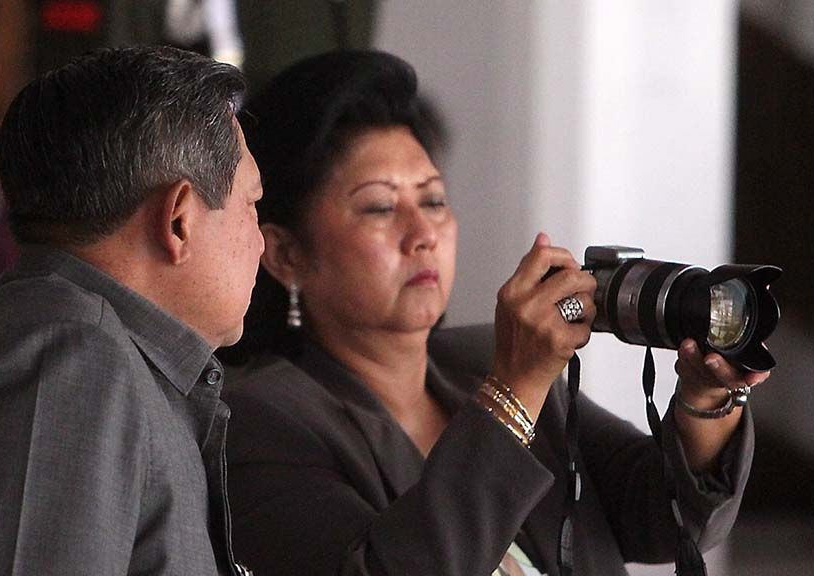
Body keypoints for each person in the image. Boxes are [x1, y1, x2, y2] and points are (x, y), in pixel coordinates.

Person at [220, 50, 769, 576]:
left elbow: (660, 515)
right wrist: (515, 388)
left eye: (433, 200)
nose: (423, 235)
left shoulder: (480, 359)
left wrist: (705, 397)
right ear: (286, 254)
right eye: (381, 207)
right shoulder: (255, 420)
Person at [0, 46, 261, 575]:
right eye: (252, 204)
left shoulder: (78, 347)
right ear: (179, 221)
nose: (261, 241)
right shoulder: (73, 366)